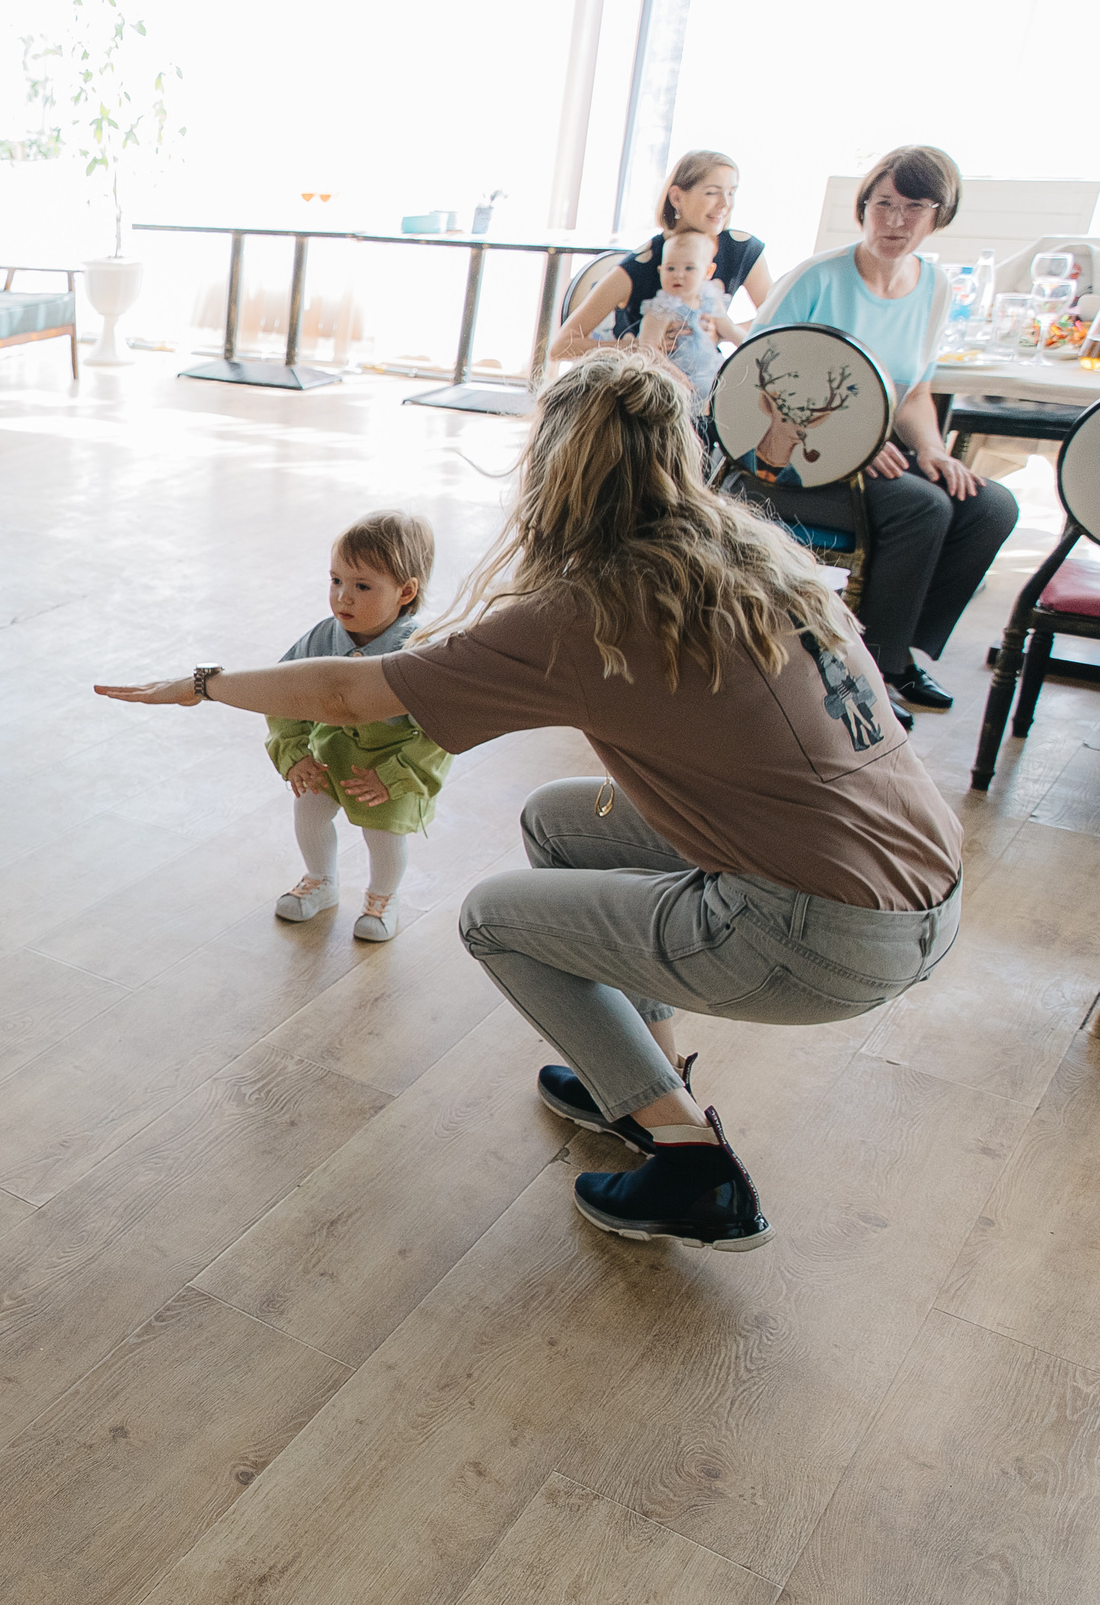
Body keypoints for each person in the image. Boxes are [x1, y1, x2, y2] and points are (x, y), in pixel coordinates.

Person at [99, 350, 963, 1254]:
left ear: (553, 471)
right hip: (916, 886)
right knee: (558, 817)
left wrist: (202, 682)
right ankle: (644, 1071)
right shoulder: (752, 553)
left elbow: (354, 694)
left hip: (821, 931)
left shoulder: (591, 608)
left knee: (494, 917)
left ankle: (693, 1166)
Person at [743, 145, 1018, 720]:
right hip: (778, 462)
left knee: (989, 504)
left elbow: (913, 390)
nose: (894, 221)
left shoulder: (934, 287)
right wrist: (851, 441)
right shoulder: (817, 279)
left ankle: (899, 648)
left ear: (939, 213)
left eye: (913, 206)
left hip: (871, 455)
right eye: (883, 203)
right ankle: (875, 666)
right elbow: (751, 383)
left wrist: (935, 450)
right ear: (862, 205)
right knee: (922, 508)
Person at [266, 510, 450, 942]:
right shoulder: (322, 637)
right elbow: (281, 691)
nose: (342, 598)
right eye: (336, 581)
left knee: (382, 833)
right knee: (309, 809)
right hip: (330, 751)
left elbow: (441, 732)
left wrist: (393, 778)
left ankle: (383, 897)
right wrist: (294, 754)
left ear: (406, 592)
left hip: (392, 762)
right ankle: (321, 880)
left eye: (362, 586)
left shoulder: (420, 652)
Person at [551, 149, 774, 361]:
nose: (725, 204)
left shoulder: (742, 250)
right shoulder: (639, 265)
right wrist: (636, 347)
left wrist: (720, 333)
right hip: (643, 384)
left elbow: (777, 322)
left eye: (731, 192)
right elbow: (561, 347)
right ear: (676, 197)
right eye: (712, 193)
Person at [636, 228, 746, 415]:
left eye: (689, 268)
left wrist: (749, 348)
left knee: (733, 397)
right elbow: (647, 348)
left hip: (710, 375)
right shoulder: (661, 308)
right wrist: (675, 376)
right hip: (674, 381)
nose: (678, 275)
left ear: (708, 271)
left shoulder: (709, 300)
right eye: (670, 268)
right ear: (660, 270)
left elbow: (730, 330)